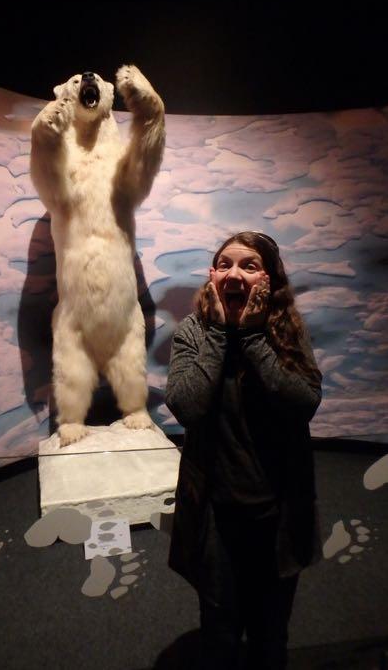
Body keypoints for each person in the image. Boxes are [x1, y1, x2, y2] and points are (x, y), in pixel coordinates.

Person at [165, 231, 322, 670]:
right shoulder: (193, 333)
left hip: (278, 512)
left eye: (249, 265)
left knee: (271, 631)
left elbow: (303, 402)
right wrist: (218, 333)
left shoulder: (285, 330)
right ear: (212, 276)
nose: (234, 272)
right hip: (216, 512)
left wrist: (253, 339)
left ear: (269, 280)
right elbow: (188, 406)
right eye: (224, 264)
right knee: (219, 628)